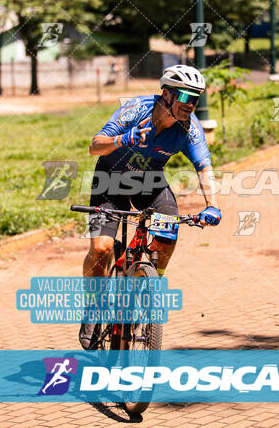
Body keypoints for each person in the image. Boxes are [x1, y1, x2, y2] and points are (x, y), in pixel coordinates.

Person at [79, 64, 222, 349]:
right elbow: (95, 146)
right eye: (185, 97)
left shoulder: (188, 129)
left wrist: (213, 205)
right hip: (110, 179)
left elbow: (204, 167)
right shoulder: (136, 110)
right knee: (102, 249)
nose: (190, 104)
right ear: (167, 95)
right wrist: (124, 139)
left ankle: (147, 281)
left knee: (168, 233)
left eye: (196, 99)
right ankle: (93, 307)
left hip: (150, 184)